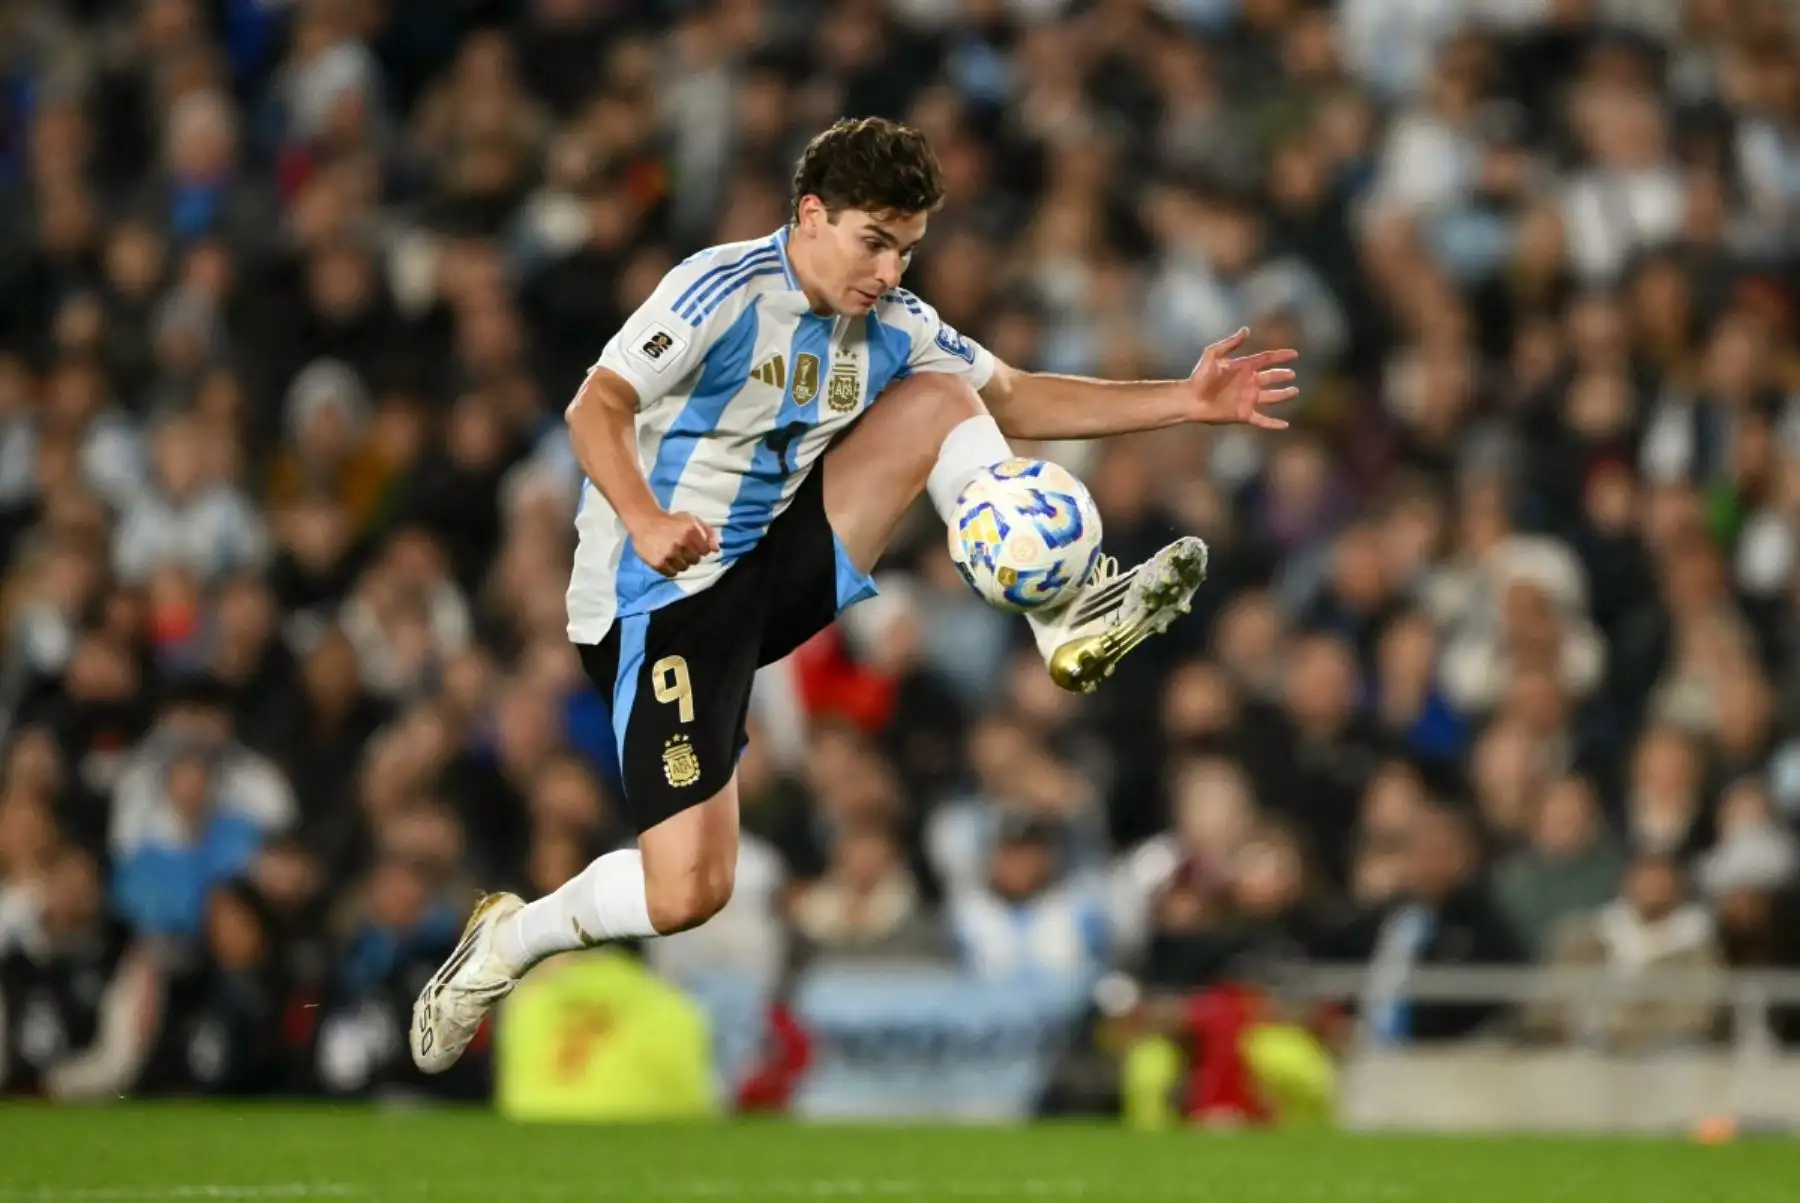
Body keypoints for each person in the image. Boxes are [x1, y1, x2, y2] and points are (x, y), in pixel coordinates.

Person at [410, 117, 1297, 1072]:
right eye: (874, 243)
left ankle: (1062, 611)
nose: (889, 272)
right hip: (660, 600)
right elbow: (598, 405)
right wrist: (644, 517)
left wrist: (1186, 401)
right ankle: (509, 940)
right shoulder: (719, 289)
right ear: (810, 216)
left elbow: (1017, 395)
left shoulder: (893, 322)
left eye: (908, 250)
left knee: (945, 396)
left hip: (774, 566)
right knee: (687, 893)